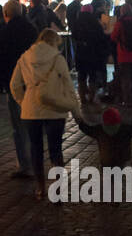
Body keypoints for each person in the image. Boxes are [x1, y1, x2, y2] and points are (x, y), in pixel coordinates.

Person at [10, 26, 82, 202]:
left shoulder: (25, 57)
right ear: (54, 42)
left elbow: (14, 85)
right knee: (55, 148)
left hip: (31, 110)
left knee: (36, 148)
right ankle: (57, 188)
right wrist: (76, 111)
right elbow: (68, 86)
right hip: (55, 110)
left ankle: (40, 187)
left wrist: (24, 101)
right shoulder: (58, 59)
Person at [0, 0, 38, 179]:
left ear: (6, 14)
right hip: (31, 81)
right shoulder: (32, 31)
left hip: (14, 82)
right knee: (31, 122)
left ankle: (24, 164)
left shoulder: (4, 33)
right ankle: (34, 160)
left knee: (18, 125)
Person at [76, 104, 132, 169]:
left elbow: (86, 128)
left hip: (106, 160)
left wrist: (80, 121)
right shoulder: (125, 130)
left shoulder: (99, 130)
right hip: (123, 160)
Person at [111, 0, 132, 109]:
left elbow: (114, 37)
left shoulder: (120, 23)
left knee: (126, 79)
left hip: (124, 55)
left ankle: (127, 100)